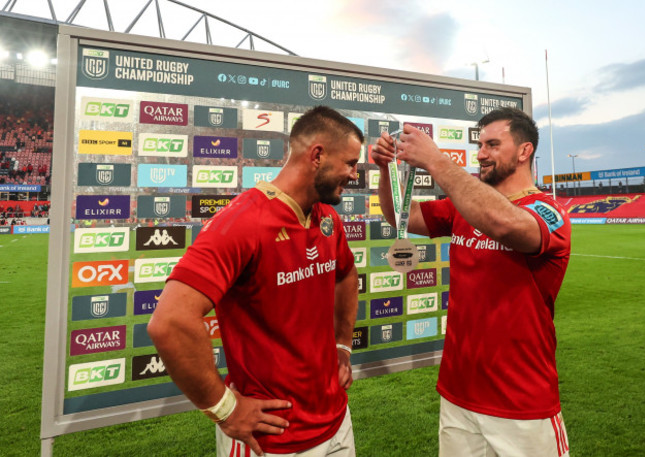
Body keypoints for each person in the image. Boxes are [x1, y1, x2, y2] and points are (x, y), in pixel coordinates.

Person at [148, 105, 362, 457]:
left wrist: (342, 345)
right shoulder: (242, 222)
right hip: (271, 440)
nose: (354, 174)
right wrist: (224, 408)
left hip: (336, 421)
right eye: (350, 163)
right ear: (317, 155)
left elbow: (346, 276)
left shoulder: (327, 219)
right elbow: (170, 322)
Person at [372, 107, 571, 457]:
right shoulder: (463, 206)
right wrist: (386, 170)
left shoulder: (546, 211)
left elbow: (506, 224)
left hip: (521, 403)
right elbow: (401, 215)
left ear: (525, 151)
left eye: (493, 144)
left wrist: (436, 161)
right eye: (480, 145)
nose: (481, 154)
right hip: (458, 395)